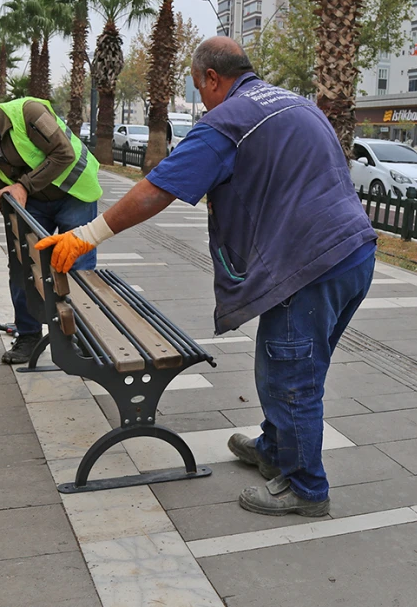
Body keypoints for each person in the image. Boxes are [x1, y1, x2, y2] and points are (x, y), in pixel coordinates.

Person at [34, 37, 377, 517]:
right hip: (353, 254)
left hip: (309, 266)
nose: (202, 99)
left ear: (213, 78)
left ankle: (305, 488)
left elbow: (159, 189)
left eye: (200, 88)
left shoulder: (228, 121)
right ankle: (275, 450)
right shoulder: (294, 103)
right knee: (296, 364)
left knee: (290, 377)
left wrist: (88, 234)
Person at [0, 95, 103, 364]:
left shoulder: (29, 113)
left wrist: (23, 186)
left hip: (75, 192)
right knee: (22, 267)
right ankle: (29, 336)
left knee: (78, 267)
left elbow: (64, 153)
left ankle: (85, 337)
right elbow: (0, 190)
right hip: (35, 202)